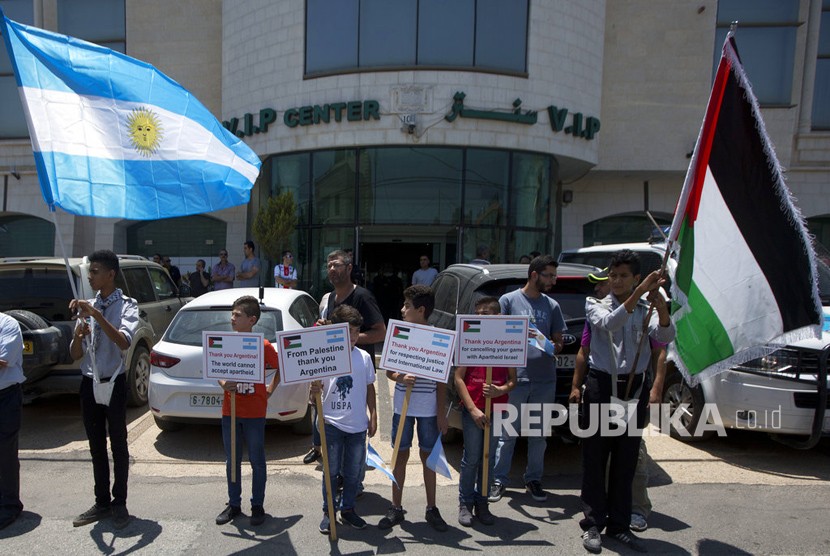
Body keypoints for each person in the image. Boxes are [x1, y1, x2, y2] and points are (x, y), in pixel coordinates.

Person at [575, 249, 674, 554]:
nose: (616, 281)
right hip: (601, 386)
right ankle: (593, 524)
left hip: (632, 389)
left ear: (635, 278)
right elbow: (610, 324)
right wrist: (640, 293)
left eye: (623, 276)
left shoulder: (646, 306)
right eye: (613, 275)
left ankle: (619, 525)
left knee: (625, 458)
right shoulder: (596, 304)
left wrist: (662, 310)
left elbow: (665, 337)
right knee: (595, 456)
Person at [69, 250, 140, 530]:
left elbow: (123, 342)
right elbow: (75, 353)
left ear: (111, 274)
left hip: (114, 382)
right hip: (89, 381)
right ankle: (101, 502)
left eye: (95, 271)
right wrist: (78, 334)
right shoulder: (87, 306)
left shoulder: (126, 305)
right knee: (95, 445)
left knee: (118, 444)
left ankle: (119, 501)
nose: (90, 276)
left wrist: (96, 315)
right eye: (90, 271)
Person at [489, 255, 566, 504]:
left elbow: (559, 341)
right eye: (549, 276)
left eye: (554, 276)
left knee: (538, 435)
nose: (553, 280)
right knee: (506, 433)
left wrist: (555, 345)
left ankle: (533, 479)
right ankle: (499, 480)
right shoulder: (508, 301)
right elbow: (498, 335)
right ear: (534, 275)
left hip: (544, 379)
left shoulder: (552, 305)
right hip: (515, 379)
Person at [379, 284, 449, 532]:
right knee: (400, 455)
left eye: (407, 306)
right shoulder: (398, 334)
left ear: (421, 310)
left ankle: (432, 508)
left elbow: (442, 379)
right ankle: (396, 507)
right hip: (402, 408)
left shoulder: (438, 338)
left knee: (428, 457)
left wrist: (441, 413)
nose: (402, 309)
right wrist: (400, 377)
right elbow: (388, 371)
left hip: (428, 409)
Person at [311, 304, 378, 534]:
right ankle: (328, 511)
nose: (352, 337)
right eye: (348, 331)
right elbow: (314, 392)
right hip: (331, 424)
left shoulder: (364, 357)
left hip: (357, 426)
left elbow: (370, 387)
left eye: (356, 332)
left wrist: (374, 415)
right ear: (336, 330)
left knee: (352, 473)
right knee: (330, 472)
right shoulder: (324, 355)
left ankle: (348, 509)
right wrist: (314, 391)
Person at [215, 296, 281, 527]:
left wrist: (271, 388)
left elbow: (281, 365)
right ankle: (234, 505)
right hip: (230, 410)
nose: (232, 319)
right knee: (232, 460)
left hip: (254, 412)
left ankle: (257, 506)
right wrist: (223, 383)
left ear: (252, 320)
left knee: (257, 460)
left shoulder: (262, 346)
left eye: (237, 315)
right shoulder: (225, 342)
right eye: (232, 315)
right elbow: (217, 369)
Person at [454, 296, 516, 527]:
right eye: (477, 313)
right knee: (471, 458)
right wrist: (472, 410)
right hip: (474, 411)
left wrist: (500, 389)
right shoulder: (469, 340)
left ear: (498, 317)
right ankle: (465, 503)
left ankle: (483, 503)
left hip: (497, 410)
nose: (480, 318)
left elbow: (513, 381)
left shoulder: (508, 342)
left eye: (485, 314)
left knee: (488, 458)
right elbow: (458, 378)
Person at [318, 250, 385, 362]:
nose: (332, 269)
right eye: (329, 266)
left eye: (337, 265)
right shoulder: (331, 297)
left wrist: (348, 338)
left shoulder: (363, 297)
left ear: (349, 268)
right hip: (337, 365)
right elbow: (335, 331)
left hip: (360, 369)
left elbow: (381, 333)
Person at [0, 312, 25, 530]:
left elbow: (2, 361)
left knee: (5, 452)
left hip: (5, 397)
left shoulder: (7, 325)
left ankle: (9, 505)